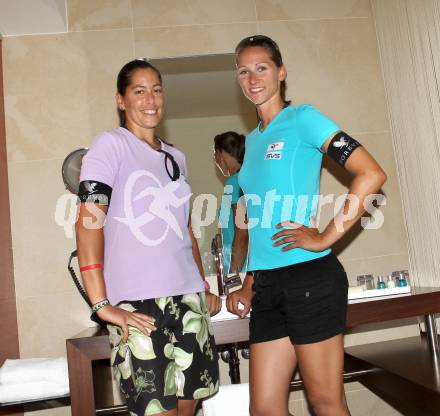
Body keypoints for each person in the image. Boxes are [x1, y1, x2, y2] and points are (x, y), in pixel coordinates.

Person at [227, 35, 387, 416]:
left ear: (281, 73)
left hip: (309, 278)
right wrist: (249, 285)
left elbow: (371, 174)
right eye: (243, 72)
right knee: (264, 409)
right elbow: (261, 223)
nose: (252, 79)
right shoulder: (251, 142)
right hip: (267, 287)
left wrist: (326, 236)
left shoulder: (303, 119)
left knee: (325, 402)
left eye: (261, 68)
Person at [75, 59, 221, 416]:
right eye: (139, 91)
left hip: (188, 301)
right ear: (121, 100)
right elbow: (87, 222)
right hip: (136, 306)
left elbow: (184, 227)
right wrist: (101, 304)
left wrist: (201, 285)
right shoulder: (110, 145)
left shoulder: (177, 157)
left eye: (156, 89)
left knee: (189, 410)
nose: (150, 99)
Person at [213, 131, 248, 274]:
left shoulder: (234, 182)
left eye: (214, 155)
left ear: (220, 154)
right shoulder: (245, 179)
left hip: (241, 270)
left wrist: (234, 274)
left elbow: (242, 231)